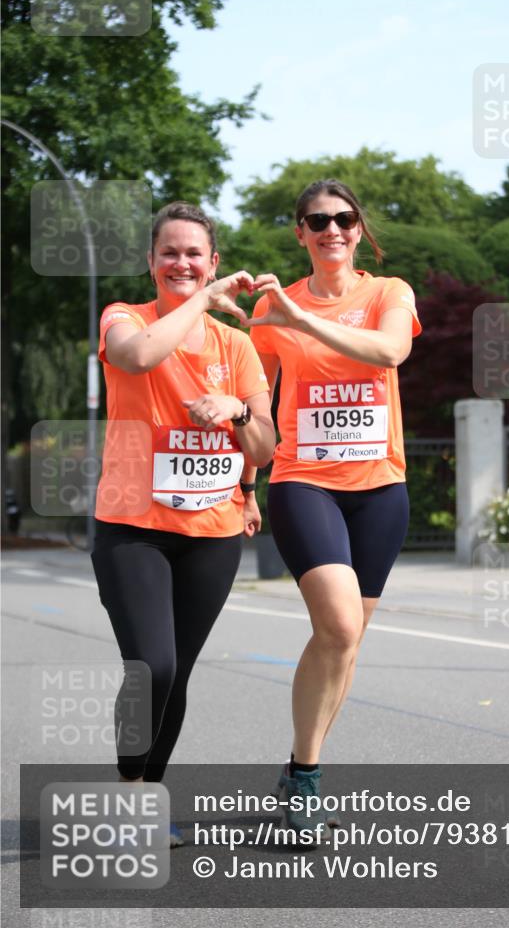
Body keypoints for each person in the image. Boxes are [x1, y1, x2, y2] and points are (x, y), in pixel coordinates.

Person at [91, 201, 274, 845]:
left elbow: (265, 449)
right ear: (151, 262)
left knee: (180, 673)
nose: (182, 262)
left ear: (213, 261)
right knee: (154, 667)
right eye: (169, 252)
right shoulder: (125, 318)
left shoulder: (238, 347)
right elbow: (139, 358)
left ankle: (144, 802)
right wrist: (202, 300)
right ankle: (129, 786)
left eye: (194, 254)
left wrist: (237, 412)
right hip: (131, 526)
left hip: (213, 533)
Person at [247, 179, 421, 837]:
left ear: (357, 226)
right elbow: (253, 398)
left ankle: (298, 772)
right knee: (341, 628)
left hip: (380, 488)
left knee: (342, 646)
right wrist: (241, 487)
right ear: (299, 232)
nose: (332, 231)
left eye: (343, 219)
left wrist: (304, 322)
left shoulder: (387, 292)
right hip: (303, 482)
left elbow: (389, 350)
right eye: (317, 221)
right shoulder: (273, 305)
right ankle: (309, 780)